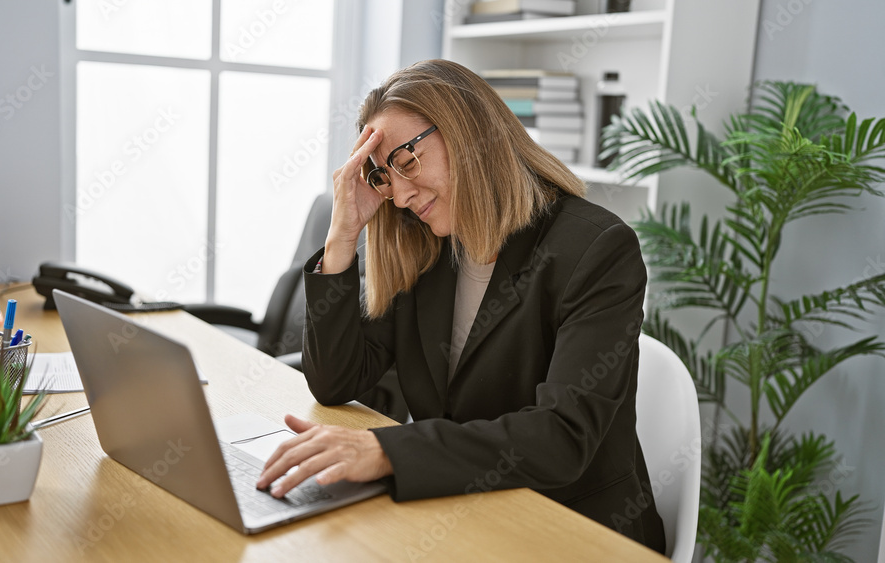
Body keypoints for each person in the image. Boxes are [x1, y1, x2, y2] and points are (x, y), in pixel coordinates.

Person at [255, 59, 665, 552]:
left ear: (470, 132)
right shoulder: (427, 247)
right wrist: (342, 236)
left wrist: (386, 451)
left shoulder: (596, 249)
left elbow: (561, 438)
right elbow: (336, 381)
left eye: (407, 160)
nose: (401, 196)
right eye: (385, 176)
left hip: (573, 529)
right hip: (460, 511)